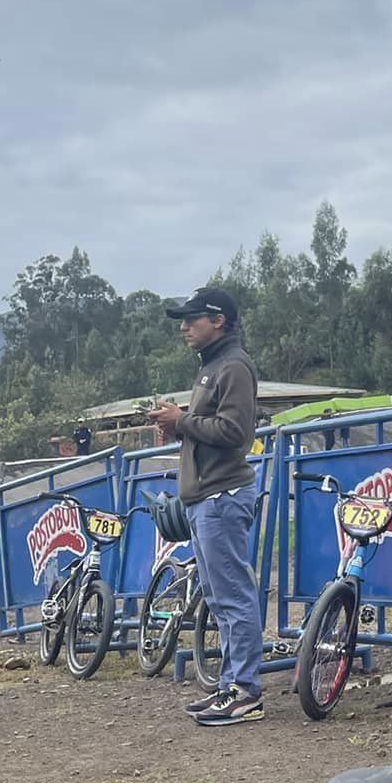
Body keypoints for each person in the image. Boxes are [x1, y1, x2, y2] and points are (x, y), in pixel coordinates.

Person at [150, 288, 263, 726]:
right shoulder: (212, 367)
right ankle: (230, 685)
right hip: (206, 499)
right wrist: (179, 425)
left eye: (192, 318)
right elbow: (210, 428)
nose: (184, 327)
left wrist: (182, 421)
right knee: (219, 598)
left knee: (233, 597)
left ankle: (245, 691)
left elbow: (235, 432)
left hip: (222, 497)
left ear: (218, 320)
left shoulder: (233, 366)